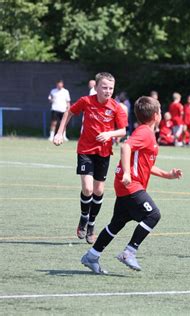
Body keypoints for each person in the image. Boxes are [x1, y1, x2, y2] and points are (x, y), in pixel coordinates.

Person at [80, 96, 183, 274]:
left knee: (116, 224)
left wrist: (167, 174)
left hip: (126, 185)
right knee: (153, 215)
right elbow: (125, 147)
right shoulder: (145, 132)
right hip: (130, 184)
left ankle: (92, 255)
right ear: (157, 116)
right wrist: (127, 172)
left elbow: (146, 164)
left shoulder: (145, 132)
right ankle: (129, 252)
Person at [53, 72, 128, 244]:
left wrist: (109, 134)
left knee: (99, 191)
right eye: (104, 87)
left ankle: (92, 225)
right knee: (87, 189)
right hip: (86, 150)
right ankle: (83, 219)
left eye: (111, 88)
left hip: (104, 152)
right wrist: (59, 133)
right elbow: (68, 113)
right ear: (96, 87)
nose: (108, 91)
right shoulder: (86, 101)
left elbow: (123, 130)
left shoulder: (116, 107)